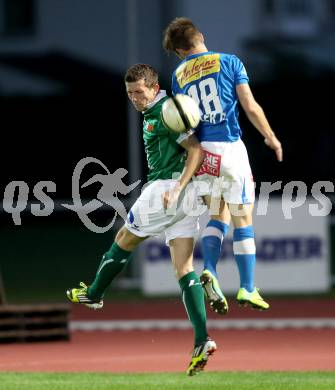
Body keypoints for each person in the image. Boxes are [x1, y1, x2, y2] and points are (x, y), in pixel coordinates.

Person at [67, 64, 216, 376]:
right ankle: (202, 339)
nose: (134, 98)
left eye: (139, 91)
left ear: (154, 86)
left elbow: (195, 150)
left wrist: (176, 187)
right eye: (130, 93)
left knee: (123, 239)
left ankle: (94, 294)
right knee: (183, 269)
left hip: (166, 189)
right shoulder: (157, 108)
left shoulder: (165, 110)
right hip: (186, 197)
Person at [163, 17, 283, 316]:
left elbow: (184, 123)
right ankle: (248, 286)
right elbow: (250, 106)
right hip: (229, 148)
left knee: (218, 214)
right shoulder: (229, 62)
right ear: (200, 36)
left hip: (202, 154)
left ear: (179, 51)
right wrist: (270, 137)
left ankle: (211, 272)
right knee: (243, 218)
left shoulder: (178, 75)